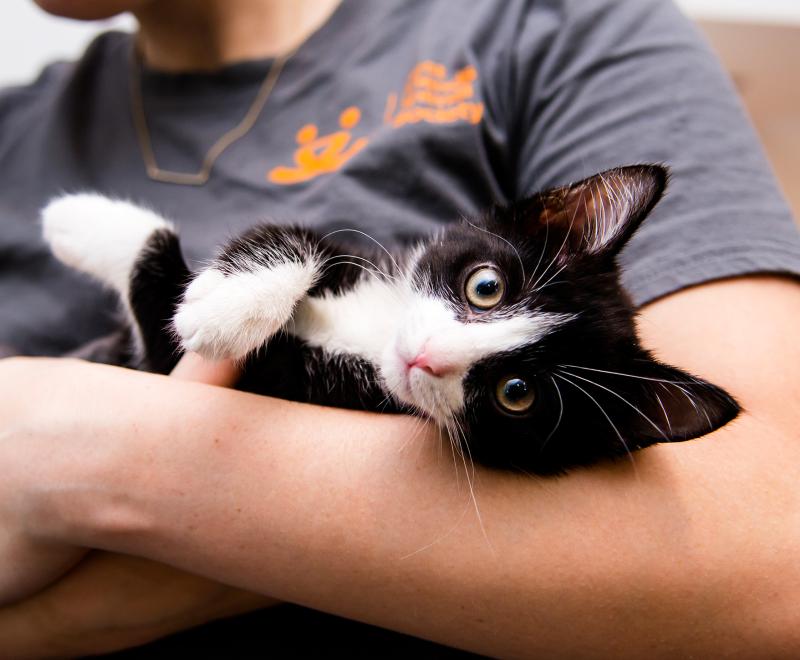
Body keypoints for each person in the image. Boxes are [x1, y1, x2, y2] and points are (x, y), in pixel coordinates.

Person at [1, 0, 800, 656]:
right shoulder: (14, 126)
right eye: (485, 289)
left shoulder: (549, 26)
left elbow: (774, 553)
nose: (435, 351)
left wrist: (94, 456)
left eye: (516, 390)